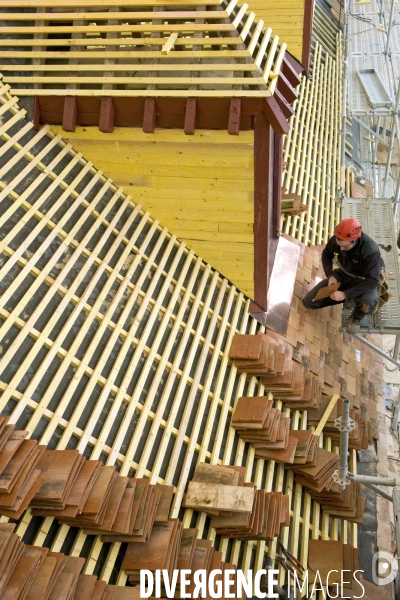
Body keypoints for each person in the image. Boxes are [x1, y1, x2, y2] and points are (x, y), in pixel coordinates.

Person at [302, 217, 381, 334]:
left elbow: (373, 281)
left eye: (345, 247)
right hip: (343, 275)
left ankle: (356, 318)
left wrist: (345, 294)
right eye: (339, 245)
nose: (341, 249)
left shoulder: (370, 250)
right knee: (309, 302)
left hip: (363, 281)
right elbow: (326, 255)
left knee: (368, 303)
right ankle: (349, 298)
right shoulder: (337, 240)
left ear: (355, 240)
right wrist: (330, 275)